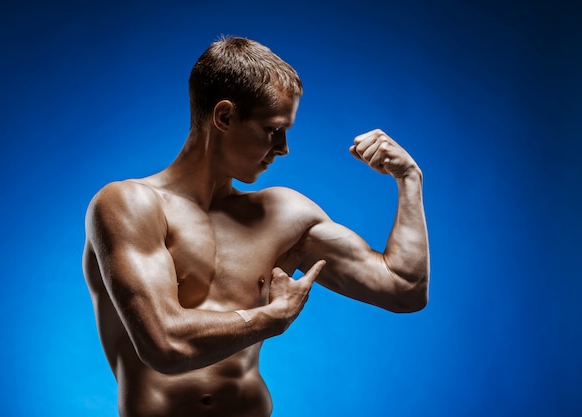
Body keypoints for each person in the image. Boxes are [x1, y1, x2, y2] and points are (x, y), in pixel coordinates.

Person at [82, 36, 429, 417]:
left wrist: (409, 180)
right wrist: (270, 318)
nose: (283, 147)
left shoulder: (282, 214)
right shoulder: (130, 205)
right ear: (225, 117)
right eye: (272, 129)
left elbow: (404, 289)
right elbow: (165, 346)